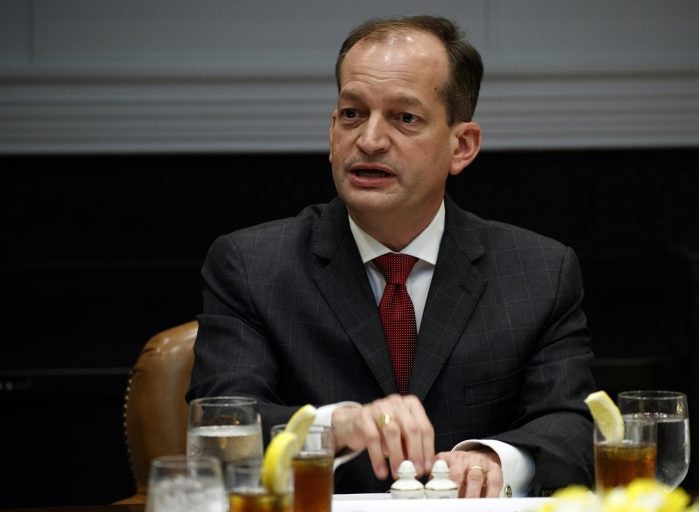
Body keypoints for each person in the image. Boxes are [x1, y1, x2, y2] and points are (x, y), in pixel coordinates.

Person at [187, 14, 595, 498]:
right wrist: (333, 427)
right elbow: (218, 427)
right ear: (331, 130)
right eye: (352, 113)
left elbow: (573, 426)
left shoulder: (540, 271)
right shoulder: (252, 264)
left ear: (461, 145)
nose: (370, 141)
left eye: (405, 118)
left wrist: (495, 459)